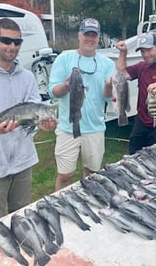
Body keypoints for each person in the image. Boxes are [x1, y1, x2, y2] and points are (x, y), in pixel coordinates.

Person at [0, 18, 58, 225]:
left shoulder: (26, 76)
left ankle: (20, 251)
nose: (12, 46)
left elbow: (35, 113)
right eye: (6, 40)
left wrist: (44, 123)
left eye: (17, 42)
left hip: (23, 161)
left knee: (21, 215)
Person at [49, 18, 115, 190]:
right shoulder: (64, 58)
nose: (90, 39)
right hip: (67, 127)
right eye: (87, 34)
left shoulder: (107, 64)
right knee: (65, 175)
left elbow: (109, 98)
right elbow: (52, 91)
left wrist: (109, 86)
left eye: (94, 35)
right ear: (79, 35)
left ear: (98, 37)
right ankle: (60, 204)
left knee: (91, 173)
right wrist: (65, 86)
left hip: (95, 128)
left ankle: (86, 202)